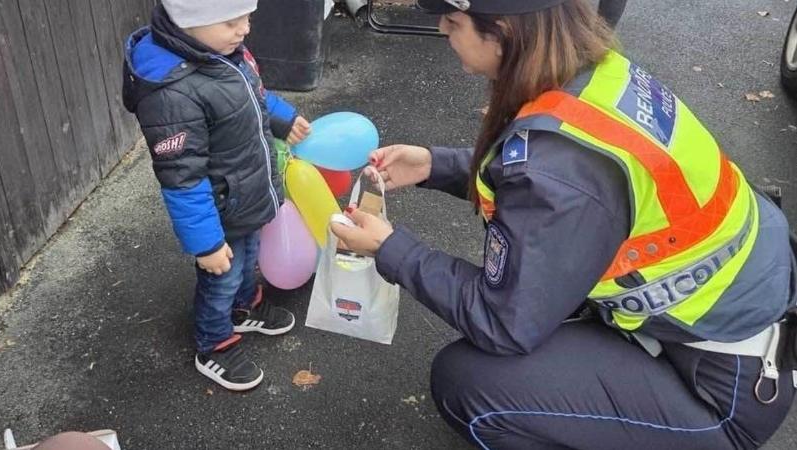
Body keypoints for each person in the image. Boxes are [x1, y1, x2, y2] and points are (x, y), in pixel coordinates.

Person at [332, 0, 797, 448]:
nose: (442, 32)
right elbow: (553, 182)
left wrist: (392, 249)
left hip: (721, 392)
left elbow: (504, 322)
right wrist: (438, 165)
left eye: (454, 23)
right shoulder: (593, 72)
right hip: (723, 328)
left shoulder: (561, 168)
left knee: (469, 383)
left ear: (504, 32)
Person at [122, 0, 309, 391]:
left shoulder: (223, 51)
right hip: (222, 211)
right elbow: (181, 177)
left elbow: (251, 99)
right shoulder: (172, 92)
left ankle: (244, 306)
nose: (245, 29)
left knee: (248, 258)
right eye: (231, 21)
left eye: (247, 16)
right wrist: (205, 243)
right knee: (221, 276)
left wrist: (283, 117)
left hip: (247, 194)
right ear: (190, 23)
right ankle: (213, 343)